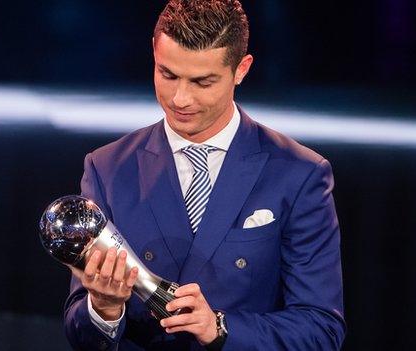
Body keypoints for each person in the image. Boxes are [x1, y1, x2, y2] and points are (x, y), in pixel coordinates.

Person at [63, 0, 346, 349]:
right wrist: (104, 309)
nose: (180, 98)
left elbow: (320, 330)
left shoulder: (299, 175)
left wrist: (221, 329)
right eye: (167, 74)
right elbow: (81, 334)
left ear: (241, 69)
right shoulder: (107, 168)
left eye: (202, 81)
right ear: (153, 54)